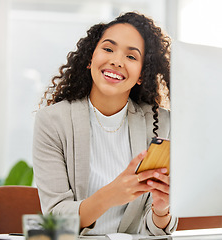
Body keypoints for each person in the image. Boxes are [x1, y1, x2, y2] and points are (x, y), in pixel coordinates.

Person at [32, 12, 177, 236]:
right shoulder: (53, 121)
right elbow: (54, 219)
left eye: (131, 57)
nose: (116, 61)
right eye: (108, 49)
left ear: (141, 75)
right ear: (91, 59)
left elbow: (156, 231)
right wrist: (111, 194)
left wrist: (161, 209)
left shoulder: (160, 122)